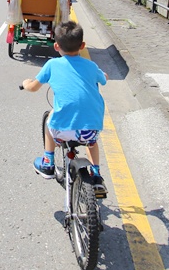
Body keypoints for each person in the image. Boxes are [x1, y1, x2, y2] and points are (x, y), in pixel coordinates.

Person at [21, 21, 108, 197]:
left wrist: (26, 83)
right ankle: (97, 174)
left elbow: (33, 87)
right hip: (90, 130)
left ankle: (48, 161)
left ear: (56, 46)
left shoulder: (52, 65)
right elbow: (104, 79)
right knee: (92, 143)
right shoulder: (91, 66)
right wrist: (102, 75)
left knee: (50, 117)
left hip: (61, 130)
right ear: (83, 46)